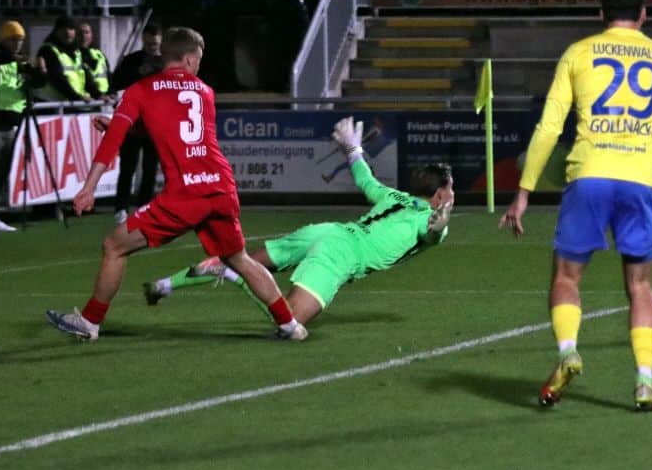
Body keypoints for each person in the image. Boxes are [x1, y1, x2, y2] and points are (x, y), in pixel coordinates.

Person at [44, 27, 308, 342]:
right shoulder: (205, 91)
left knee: (114, 246)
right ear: (186, 59)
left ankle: (89, 322)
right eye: (197, 59)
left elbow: (117, 139)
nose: (198, 66)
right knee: (238, 258)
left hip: (187, 194)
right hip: (221, 186)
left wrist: (90, 185)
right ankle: (290, 325)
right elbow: (176, 128)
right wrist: (128, 129)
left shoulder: (141, 90)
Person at [499, 0, 652, 411]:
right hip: (641, 179)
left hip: (590, 175)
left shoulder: (578, 53)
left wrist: (523, 191)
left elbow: (548, 128)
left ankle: (568, 352)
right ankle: (644, 380)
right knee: (640, 285)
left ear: (600, 14)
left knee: (566, 277)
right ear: (644, 14)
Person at [144, 119, 454, 327]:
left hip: (327, 230)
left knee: (246, 259)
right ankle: (234, 276)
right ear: (439, 195)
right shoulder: (428, 219)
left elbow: (364, 178)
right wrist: (438, 226)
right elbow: (431, 234)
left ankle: (165, 284)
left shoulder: (393, 196)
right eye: (449, 188)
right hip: (341, 253)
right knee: (290, 320)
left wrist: (352, 148)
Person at [0, 21, 43, 233]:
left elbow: (39, 82)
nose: (18, 44)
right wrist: (19, 63)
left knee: (3, 171)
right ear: (4, 39)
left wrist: (39, 71)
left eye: (20, 40)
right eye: (13, 39)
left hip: (11, 124)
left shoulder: (19, 63)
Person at [109, 22, 164, 224]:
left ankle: (144, 208)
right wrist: (136, 75)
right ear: (143, 39)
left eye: (155, 43)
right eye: (149, 42)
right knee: (128, 166)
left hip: (155, 124)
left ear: (161, 40)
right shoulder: (131, 61)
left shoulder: (167, 63)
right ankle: (121, 208)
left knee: (150, 168)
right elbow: (114, 83)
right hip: (132, 122)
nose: (152, 45)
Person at [34, 15, 91, 102]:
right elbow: (57, 78)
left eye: (71, 28)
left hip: (71, 103)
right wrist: (76, 97)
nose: (67, 32)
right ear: (56, 31)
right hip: (50, 105)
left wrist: (99, 95)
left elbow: (87, 77)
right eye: (63, 28)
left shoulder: (76, 52)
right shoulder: (48, 50)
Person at [76, 20, 111, 99]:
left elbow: (109, 75)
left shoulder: (99, 54)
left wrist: (111, 92)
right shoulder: (73, 55)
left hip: (101, 101)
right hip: (82, 100)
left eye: (86, 32)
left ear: (92, 35)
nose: (83, 36)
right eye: (80, 33)